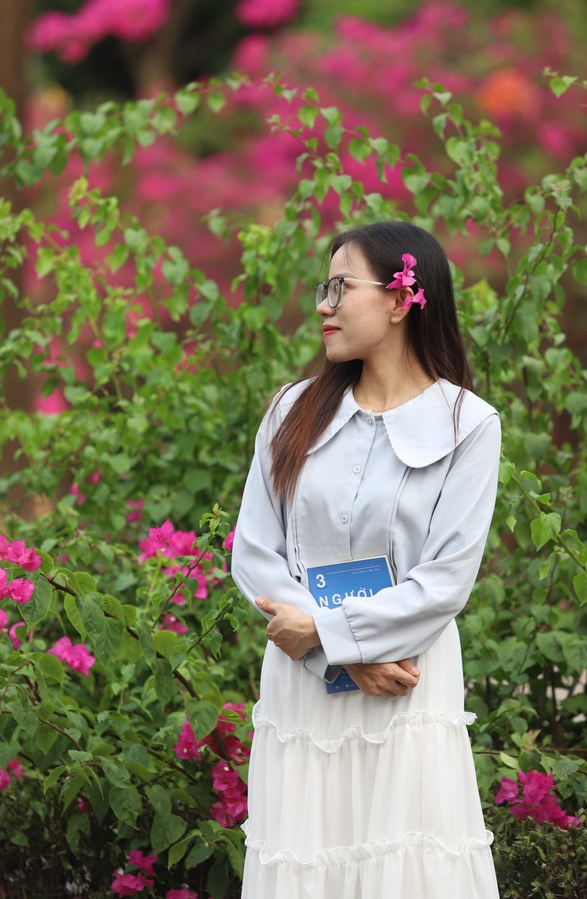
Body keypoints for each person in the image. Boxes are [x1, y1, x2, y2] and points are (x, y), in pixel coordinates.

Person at [230, 221, 502, 898]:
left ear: (398, 298)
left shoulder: (467, 425)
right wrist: (336, 654)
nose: (322, 305)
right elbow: (254, 551)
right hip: (305, 687)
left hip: (403, 684)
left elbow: (443, 581)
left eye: (338, 288)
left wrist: (325, 633)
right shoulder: (291, 410)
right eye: (322, 290)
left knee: (402, 870)